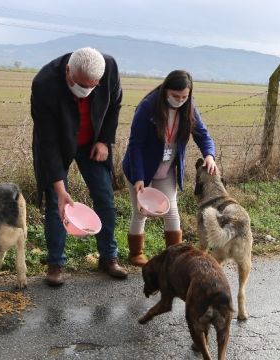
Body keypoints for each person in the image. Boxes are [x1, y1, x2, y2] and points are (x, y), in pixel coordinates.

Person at [31, 47, 127, 285]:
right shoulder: (44, 83)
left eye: (92, 86)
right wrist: (60, 188)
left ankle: (108, 257)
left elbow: (114, 105)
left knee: (105, 198)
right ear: (67, 71)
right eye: (81, 85)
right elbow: (48, 142)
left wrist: (104, 140)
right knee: (57, 203)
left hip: (93, 142)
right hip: (58, 143)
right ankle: (55, 264)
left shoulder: (110, 69)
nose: (86, 92)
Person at [122, 70, 217, 267]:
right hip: (141, 169)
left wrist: (209, 155)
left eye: (184, 96)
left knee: (172, 211)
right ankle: (136, 254)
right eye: (175, 96)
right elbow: (135, 145)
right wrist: (139, 178)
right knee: (141, 211)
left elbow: (203, 135)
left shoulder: (189, 108)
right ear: (166, 91)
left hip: (166, 171)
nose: (180, 101)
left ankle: (174, 258)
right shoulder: (148, 107)